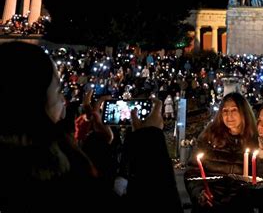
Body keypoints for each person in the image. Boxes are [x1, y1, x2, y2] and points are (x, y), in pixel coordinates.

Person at [0, 42, 182, 212]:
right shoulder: (46, 177)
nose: (64, 100)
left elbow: (95, 190)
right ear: (33, 102)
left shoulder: (20, 164)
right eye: (57, 90)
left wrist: (100, 142)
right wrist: (149, 142)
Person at [184, 92, 258, 212]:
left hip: (239, 207)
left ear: (244, 112)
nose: (229, 116)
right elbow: (192, 172)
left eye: (234, 110)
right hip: (209, 206)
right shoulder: (209, 136)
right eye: (225, 111)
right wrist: (199, 193)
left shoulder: (255, 141)